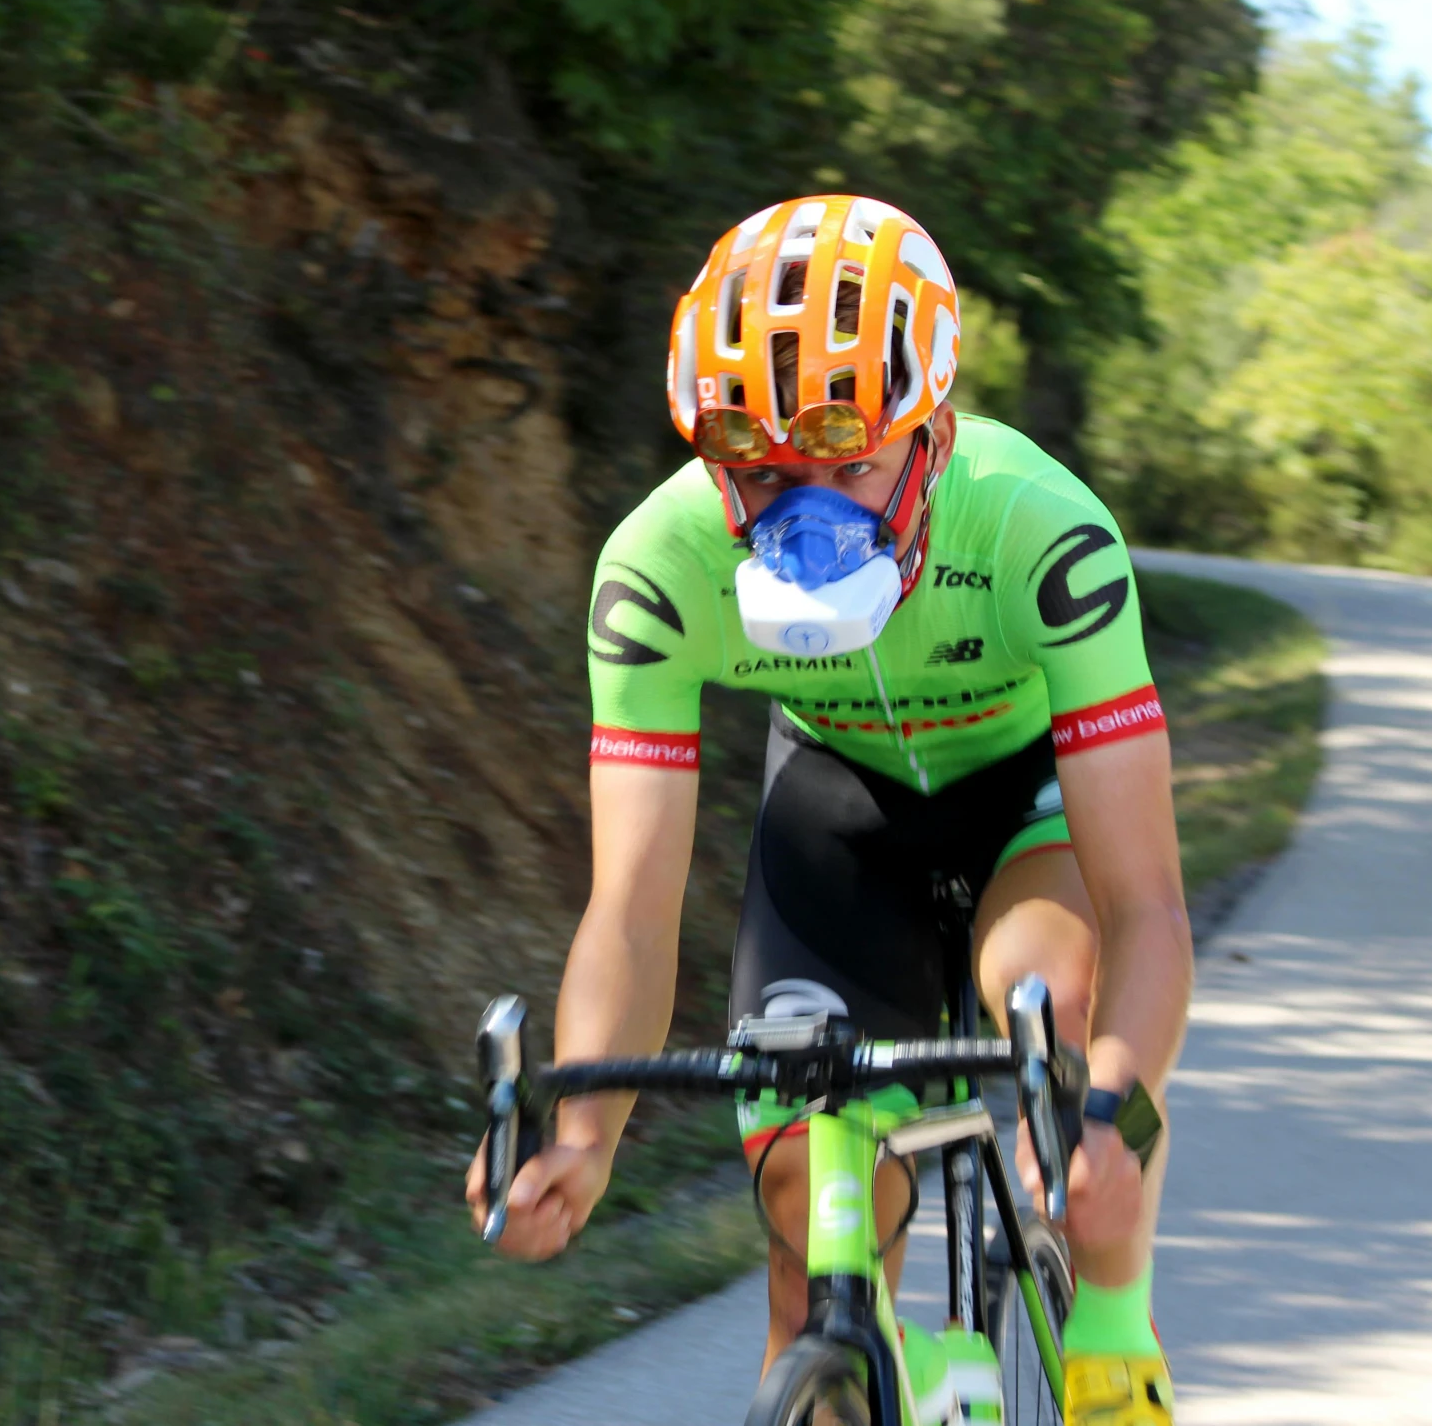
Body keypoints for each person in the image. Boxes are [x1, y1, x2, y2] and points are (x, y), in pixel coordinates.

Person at [466, 196, 1191, 1425]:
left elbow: (1148, 905)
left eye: (849, 462)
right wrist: (582, 1136)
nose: (811, 517)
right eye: (758, 470)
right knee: (809, 1208)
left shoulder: (1041, 528)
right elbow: (632, 909)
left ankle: (1114, 1333)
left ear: (936, 429)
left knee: (1055, 1004)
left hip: (1027, 799)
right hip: (840, 811)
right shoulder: (658, 567)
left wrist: (1112, 1109)